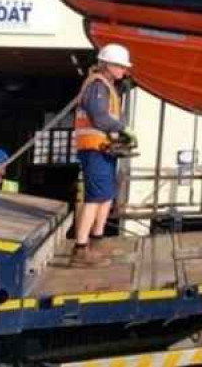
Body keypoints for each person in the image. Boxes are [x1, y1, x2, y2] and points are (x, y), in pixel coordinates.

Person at [71, 43, 138, 267]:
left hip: (103, 148)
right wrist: (123, 128)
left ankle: (97, 242)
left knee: (106, 195)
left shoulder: (107, 86)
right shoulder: (97, 86)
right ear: (107, 65)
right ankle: (81, 249)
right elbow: (99, 118)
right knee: (95, 198)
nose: (123, 71)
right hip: (93, 149)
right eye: (120, 66)